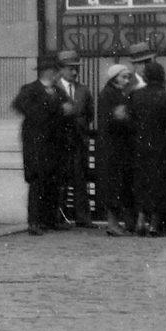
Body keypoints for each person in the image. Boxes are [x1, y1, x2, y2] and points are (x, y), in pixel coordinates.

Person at [12, 56, 72, 235]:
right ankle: (35, 222)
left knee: (53, 182)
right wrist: (55, 106)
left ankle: (50, 219)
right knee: (37, 182)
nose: (58, 75)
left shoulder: (59, 92)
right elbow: (25, 109)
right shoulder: (30, 90)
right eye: (56, 71)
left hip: (55, 144)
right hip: (36, 144)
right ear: (49, 72)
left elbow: (67, 109)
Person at [127, 47, 166, 236]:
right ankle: (155, 224)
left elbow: (130, 121)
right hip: (163, 148)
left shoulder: (135, 97)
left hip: (140, 146)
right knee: (160, 184)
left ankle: (141, 219)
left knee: (142, 183)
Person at [54, 50, 95, 227]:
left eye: (76, 68)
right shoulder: (54, 90)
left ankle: (83, 217)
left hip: (78, 142)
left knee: (80, 180)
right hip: (60, 143)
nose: (75, 72)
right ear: (61, 70)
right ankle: (58, 217)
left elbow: (89, 114)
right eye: (71, 68)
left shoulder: (83, 90)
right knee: (60, 181)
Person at [96, 65, 138, 236]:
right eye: (124, 77)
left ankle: (118, 222)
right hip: (113, 147)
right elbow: (112, 120)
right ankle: (113, 223)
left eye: (128, 77)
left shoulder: (115, 94)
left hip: (116, 147)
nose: (127, 81)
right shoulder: (110, 95)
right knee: (113, 185)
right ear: (114, 78)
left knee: (117, 185)